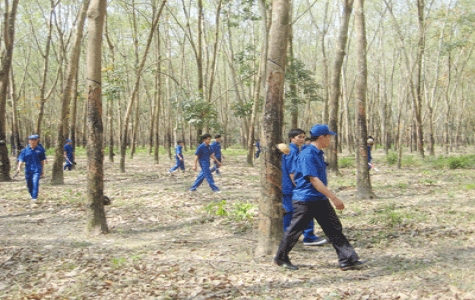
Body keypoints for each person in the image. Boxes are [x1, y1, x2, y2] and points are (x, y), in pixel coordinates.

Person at [274, 124, 365, 271]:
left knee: (334, 228)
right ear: (322, 137)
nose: (330, 140)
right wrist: (334, 198)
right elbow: (314, 180)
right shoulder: (307, 155)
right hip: (305, 200)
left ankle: (347, 259)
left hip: (318, 198)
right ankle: (280, 258)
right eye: (329, 137)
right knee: (294, 230)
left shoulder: (317, 153)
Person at [282, 129, 327, 246]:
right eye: (299, 137)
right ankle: (307, 236)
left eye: (303, 137)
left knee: (293, 211)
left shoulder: (296, 150)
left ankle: (296, 236)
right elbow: (292, 172)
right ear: (291, 138)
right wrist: (299, 186)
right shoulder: (292, 151)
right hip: (291, 187)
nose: (302, 139)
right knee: (294, 211)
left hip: (289, 187)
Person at [17, 134, 47, 202]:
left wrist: (42, 169)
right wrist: (19, 167)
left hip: (37, 170)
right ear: (29, 141)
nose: (33, 141)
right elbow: (21, 159)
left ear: (37, 140)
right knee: (29, 185)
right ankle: (32, 195)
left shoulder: (40, 150)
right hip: (28, 170)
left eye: (35, 140)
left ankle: (34, 198)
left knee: (35, 182)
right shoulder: (25, 150)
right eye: (31, 140)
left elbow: (42, 160)